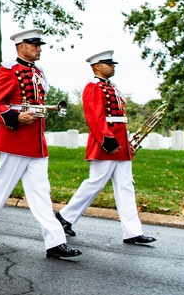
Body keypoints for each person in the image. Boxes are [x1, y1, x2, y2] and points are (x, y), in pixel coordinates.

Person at [0, 29, 80, 259]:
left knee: (41, 192)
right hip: (16, 139)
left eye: (39, 45)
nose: (39, 48)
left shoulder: (37, 72)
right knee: (1, 187)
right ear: (21, 46)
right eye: (35, 45)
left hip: (36, 141)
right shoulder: (9, 71)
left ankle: (55, 242)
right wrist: (15, 117)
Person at [57, 51, 156, 245]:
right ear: (96, 66)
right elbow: (94, 116)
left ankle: (132, 231)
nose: (113, 66)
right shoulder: (93, 87)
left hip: (120, 139)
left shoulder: (113, 88)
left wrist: (126, 141)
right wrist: (107, 139)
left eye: (112, 63)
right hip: (107, 141)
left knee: (126, 185)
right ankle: (64, 217)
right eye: (108, 63)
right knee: (96, 182)